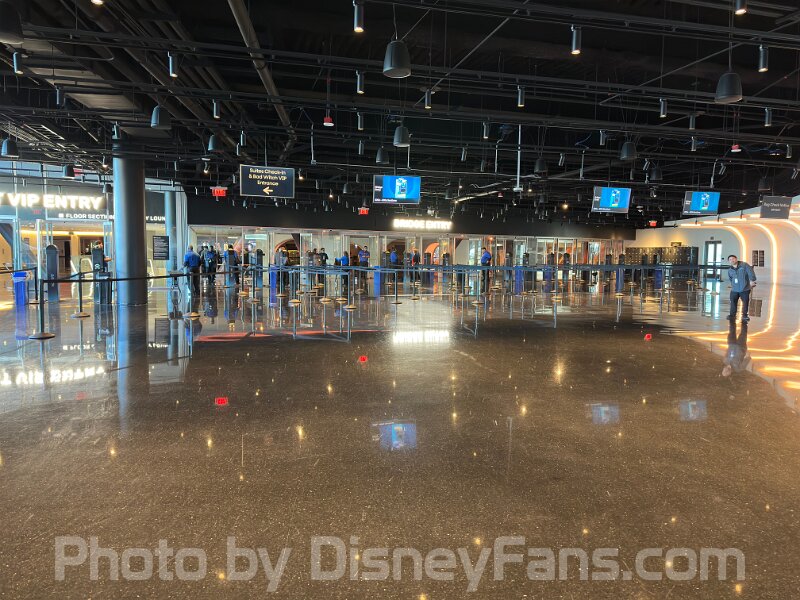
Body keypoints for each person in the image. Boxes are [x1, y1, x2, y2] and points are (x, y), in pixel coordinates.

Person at [727, 254, 757, 322]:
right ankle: (732, 315)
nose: (732, 260)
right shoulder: (730, 269)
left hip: (744, 288)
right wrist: (733, 285)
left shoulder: (744, 265)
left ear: (736, 259)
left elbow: (751, 272)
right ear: (729, 261)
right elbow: (730, 278)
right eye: (730, 260)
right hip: (734, 289)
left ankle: (744, 316)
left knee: (745, 302)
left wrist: (752, 280)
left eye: (733, 259)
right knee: (733, 302)